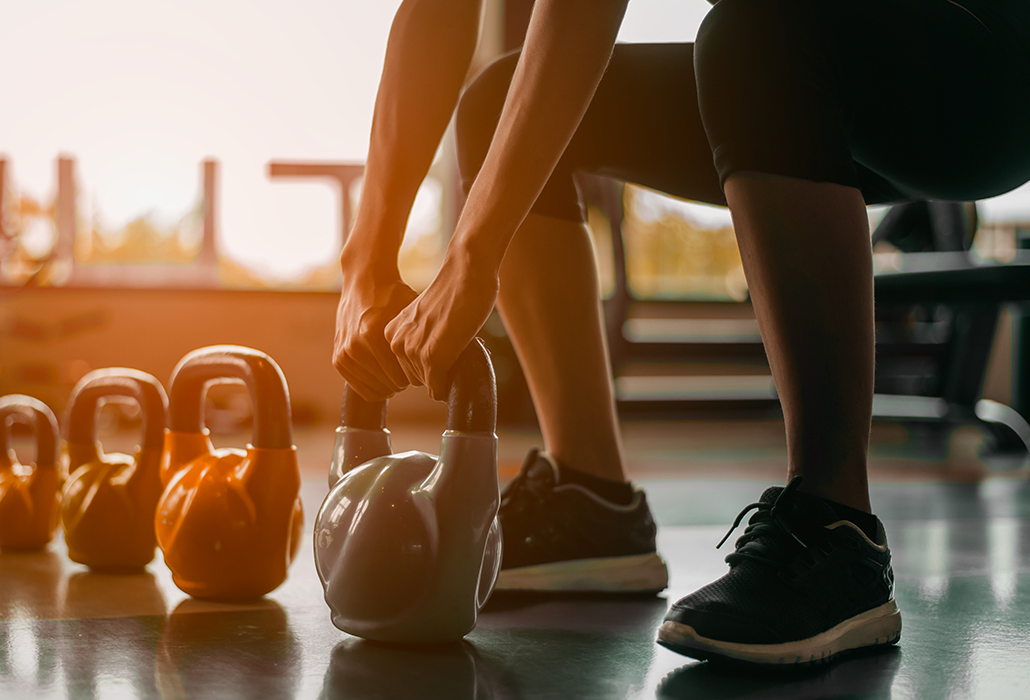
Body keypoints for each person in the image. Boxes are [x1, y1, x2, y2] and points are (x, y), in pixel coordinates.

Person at [333, 0, 1030, 666]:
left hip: (985, 68)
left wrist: (472, 258)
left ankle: (836, 530)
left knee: (752, 29)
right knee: (497, 101)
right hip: (792, 70)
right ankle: (591, 502)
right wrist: (365, 265)